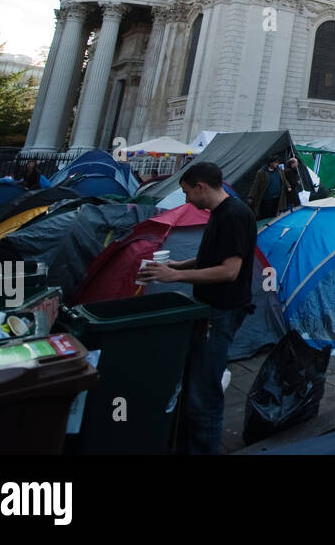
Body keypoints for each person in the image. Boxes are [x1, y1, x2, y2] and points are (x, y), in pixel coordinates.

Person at [138, 162, 256, 455]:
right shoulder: (220, 213)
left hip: (222, 311)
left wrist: (174, 276)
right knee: (197, 383)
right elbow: (214, 256)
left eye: (187, 192)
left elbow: (229, 270)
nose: (187, 200)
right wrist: (178, 264)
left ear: (201, 186)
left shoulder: (234, 216)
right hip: (210, 309)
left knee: (204, 395)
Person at [246, 155, 292, 220]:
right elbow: (255, 185)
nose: (277, 164)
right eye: (275, 162)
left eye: (278, 162)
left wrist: (288, 186)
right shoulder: (262, 172)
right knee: (266, 215)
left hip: (277, 198)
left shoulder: (279, 170)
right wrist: (251, 196)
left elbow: (284, 179)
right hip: (267, 199)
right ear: (270, 163)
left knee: (275, 214)